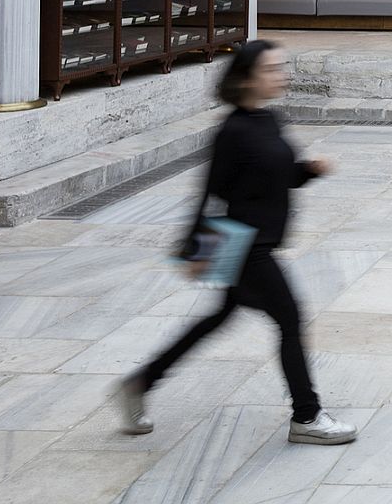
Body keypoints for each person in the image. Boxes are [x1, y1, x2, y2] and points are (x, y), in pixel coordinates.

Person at [116, 39, 356, 445]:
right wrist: (196, 249)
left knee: (219, 319)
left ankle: (141, 383)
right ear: (246, 79)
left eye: (282, 68)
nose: (281, 76)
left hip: (256, 240)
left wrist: (309, 170)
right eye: (271, 70)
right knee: (290, 318)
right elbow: (210, 192)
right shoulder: (232, 131)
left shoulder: (269, 120)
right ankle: (307, 416)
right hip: (244, 245)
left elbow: (278, 175)